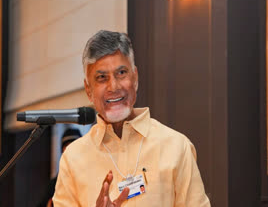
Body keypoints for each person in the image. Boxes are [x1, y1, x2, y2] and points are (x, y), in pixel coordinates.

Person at [53, 30, 211, 206]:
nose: (113, 86)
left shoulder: (176, 146)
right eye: (101, 77)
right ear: (88, 89)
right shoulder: (73, 159)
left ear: (135, 78)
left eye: (121, 73)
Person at [37, 128, 81, 207]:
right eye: (67, 147)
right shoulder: (54, 184)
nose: (71, 152)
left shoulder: (89, 178)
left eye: (74, 147)